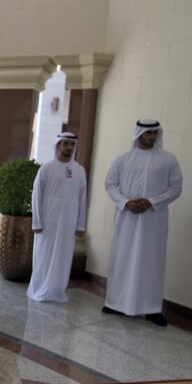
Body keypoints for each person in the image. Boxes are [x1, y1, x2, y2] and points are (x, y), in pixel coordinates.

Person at [102, 119, 183, 326]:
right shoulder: (123, 159)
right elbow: (110, 184)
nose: (152, 137)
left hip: (153, 221)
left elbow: (175, 188)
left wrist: (151, 202)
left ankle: (151, 308)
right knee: (123, 258)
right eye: (148, 133)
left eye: (155, 133)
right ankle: (116, 303)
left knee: (152, 262)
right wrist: (126, 203)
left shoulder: (168, 160)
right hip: (127, 218)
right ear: (139, 134)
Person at [26, 132, 87, 303]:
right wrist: (37, 222)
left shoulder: (80, 171)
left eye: (71, 144)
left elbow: (83, 199)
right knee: (43, 255)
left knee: (63, 256)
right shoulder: (46, 168)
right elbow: (36, 196)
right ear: (58, 145)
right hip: (48, 222)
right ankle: (38, 290)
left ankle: (56, 291)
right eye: (65, 143)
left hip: (68, 222)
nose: (68, 147)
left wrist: (80, 225)